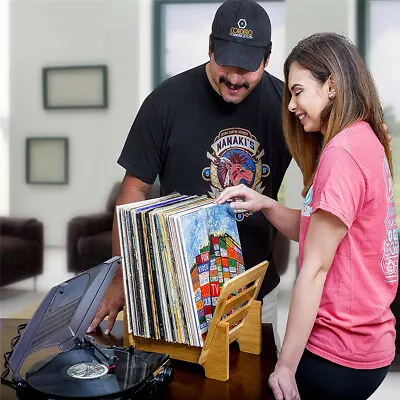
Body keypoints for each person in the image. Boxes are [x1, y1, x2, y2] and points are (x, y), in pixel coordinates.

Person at [86, 0, 292, 344]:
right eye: (225, 63)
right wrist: (123, 273)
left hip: (253, 291)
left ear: (267, 59)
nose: (234, 78)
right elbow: (133, 191)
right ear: (210, 47)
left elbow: (329, 174)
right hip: (174, 290)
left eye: (247, 68)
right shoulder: (166, 101)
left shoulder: (288, 108)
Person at [215, 32, 398, 399]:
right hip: (371, 343)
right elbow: (322, 233)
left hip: (338, 351)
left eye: (297, 91)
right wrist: (265, 203)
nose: (292, 106)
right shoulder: (364, 139)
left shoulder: (341, 153)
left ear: (331, 85)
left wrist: (285, 367)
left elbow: (315, 268)